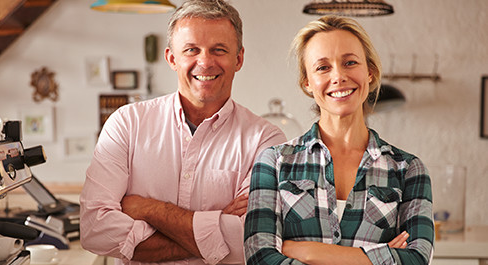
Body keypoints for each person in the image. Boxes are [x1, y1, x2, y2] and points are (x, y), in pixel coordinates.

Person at [79, 0, 286, 264]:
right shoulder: (127, 123)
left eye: (218, 50)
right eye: (191, 50)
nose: (205, 62)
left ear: (239, 58)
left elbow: (255, 241)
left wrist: (149, 209)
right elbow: (95, 231)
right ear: (171, 58)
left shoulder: (266, 141)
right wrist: (219, 227)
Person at [244, 15, 434, 265]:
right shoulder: (275, 162)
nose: (339, 76)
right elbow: (259, 257)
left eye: (350, 62)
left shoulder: (408, 170)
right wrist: (382, 255)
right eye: (323, 67)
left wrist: (306, 252)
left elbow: (416, 259)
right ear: (307, 82)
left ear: (370, 72)